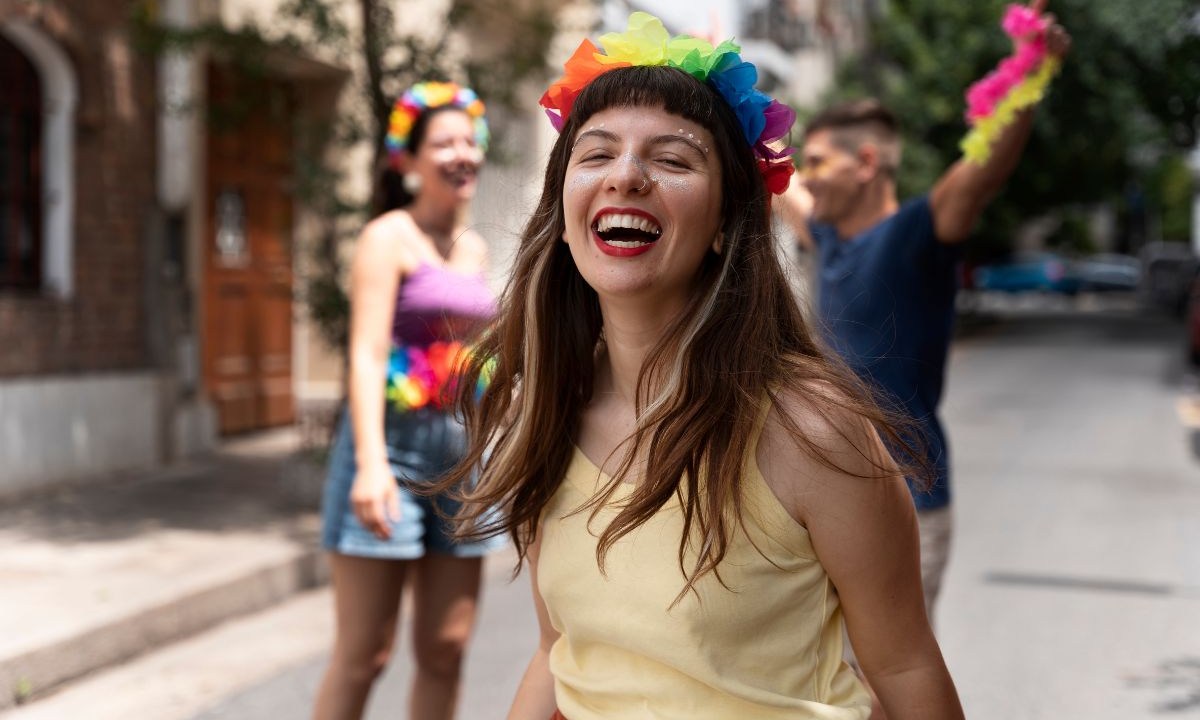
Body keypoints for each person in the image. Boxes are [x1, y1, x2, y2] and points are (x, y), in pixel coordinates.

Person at [435, 12, 964, 720]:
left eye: (673, 159)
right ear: (563, 211)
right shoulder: (548, 406)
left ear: (724, 223)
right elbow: (560, 651)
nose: (626, 175)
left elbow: (905, 669)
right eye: (596, 154)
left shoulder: (812, 430)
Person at [777, 1, 1072, 625]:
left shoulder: (916, 233)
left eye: (820, 161)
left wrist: (1032, 74)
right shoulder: (826, 244)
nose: (807, 174)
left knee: (890, 685)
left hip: (909, 501)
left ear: (866, 165)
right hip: (825, 500)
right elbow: (770, 174)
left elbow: (981, 170)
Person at [313, 81, 502, 720]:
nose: (462, 153)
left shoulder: (474, 251)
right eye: (444, 142)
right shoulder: (387, 237)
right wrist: (369, 463)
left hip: (461, 457)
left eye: (469, 141)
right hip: (390, 450)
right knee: (365, 652)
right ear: (409, 160)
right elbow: (367, 353)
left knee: (446, 649)